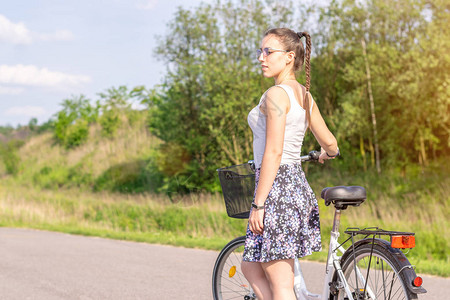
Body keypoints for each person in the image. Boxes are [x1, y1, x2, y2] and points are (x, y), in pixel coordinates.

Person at [241, 28, 339, 300]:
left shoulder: (275, 95)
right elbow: (331, 144)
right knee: (251, 265)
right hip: (295, 187)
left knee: (282, 284)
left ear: (289, 57)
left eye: (268, 51)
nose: (262, 57)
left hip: (276, 190)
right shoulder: (305, 96)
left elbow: (273, 151)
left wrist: (259, 203)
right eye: (261, 51)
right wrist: (326, 153)